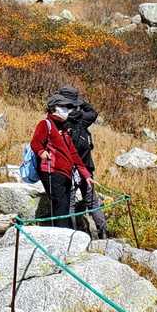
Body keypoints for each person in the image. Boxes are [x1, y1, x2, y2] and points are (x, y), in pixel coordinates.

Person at [30, 91, 87, 231]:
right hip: (51, 170)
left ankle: (62, 232)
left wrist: (85, 174)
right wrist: (42, 152)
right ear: (53, 108)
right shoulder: (45, 124)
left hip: (65, 173)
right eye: (64, 106)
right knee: (60, 204)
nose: (67, 110)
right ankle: (61, 233)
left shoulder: (64, 129)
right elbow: (35, 142)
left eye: (69, 107)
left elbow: (73, 153)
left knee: (64, 205)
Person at [57, 85, 108, 238]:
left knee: (70, 202)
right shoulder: (83, 118)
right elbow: (93, 112)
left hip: (70, 168)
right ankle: (103, 232)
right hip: (87, 166)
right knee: (92, 200)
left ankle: (72, 235)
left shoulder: (61, 120)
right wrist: (81, 102)